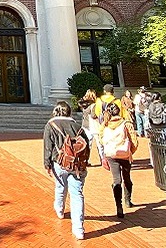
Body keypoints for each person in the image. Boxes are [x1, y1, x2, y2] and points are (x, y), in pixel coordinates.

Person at [43, 101, 88, 240]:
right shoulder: (77, 126)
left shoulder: (51, 125)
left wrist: (47, 164)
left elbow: (47, 146)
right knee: (77, 194)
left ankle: (60, 209)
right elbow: (86, 146)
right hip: (76, 165)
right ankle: (79, 228)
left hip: (59, 162)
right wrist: (84, 162)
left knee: (60, 186)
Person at [98, 102, 138, 218]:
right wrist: (130, 151)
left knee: (117, 180)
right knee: (127, 178)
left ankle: (118, 206)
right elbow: (134, 141)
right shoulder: (126, 123)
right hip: (124, 154)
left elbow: (101, 140)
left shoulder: (104, 125)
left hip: (111, 154)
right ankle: (128, 200)